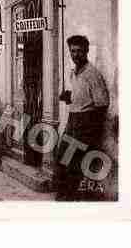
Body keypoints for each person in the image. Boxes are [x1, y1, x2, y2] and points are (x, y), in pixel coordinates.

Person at [56, 35, 110, 201]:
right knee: (63, 157)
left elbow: (102, 104)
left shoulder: (92, 74)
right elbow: (82, 96)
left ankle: (72, 197)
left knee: (75, 161)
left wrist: (90, 131)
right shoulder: (75, 72)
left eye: (79, 51)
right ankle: (64, 193)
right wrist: (69, 97)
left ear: (86, 51)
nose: (75, 54)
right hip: (73, 120)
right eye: (72, 51)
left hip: (85, 123)